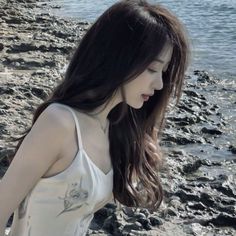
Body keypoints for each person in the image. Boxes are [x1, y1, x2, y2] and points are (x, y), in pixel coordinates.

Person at [0, 0, 190, 235]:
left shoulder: (115, 128)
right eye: (152, 69)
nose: (160, 84)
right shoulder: (59, 123)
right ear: (118, 58)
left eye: (163, 72)